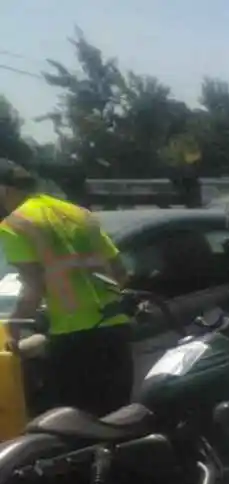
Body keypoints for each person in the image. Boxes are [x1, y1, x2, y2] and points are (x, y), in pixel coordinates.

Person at [0, 159, 135, 417]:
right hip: (115, 331)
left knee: (76, 426)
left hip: (73, 342)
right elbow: (121, 273)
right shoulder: (78, 213)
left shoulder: (14, 225)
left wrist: (13, 330)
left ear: (4, 190)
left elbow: (33, 287)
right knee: (117, 421)